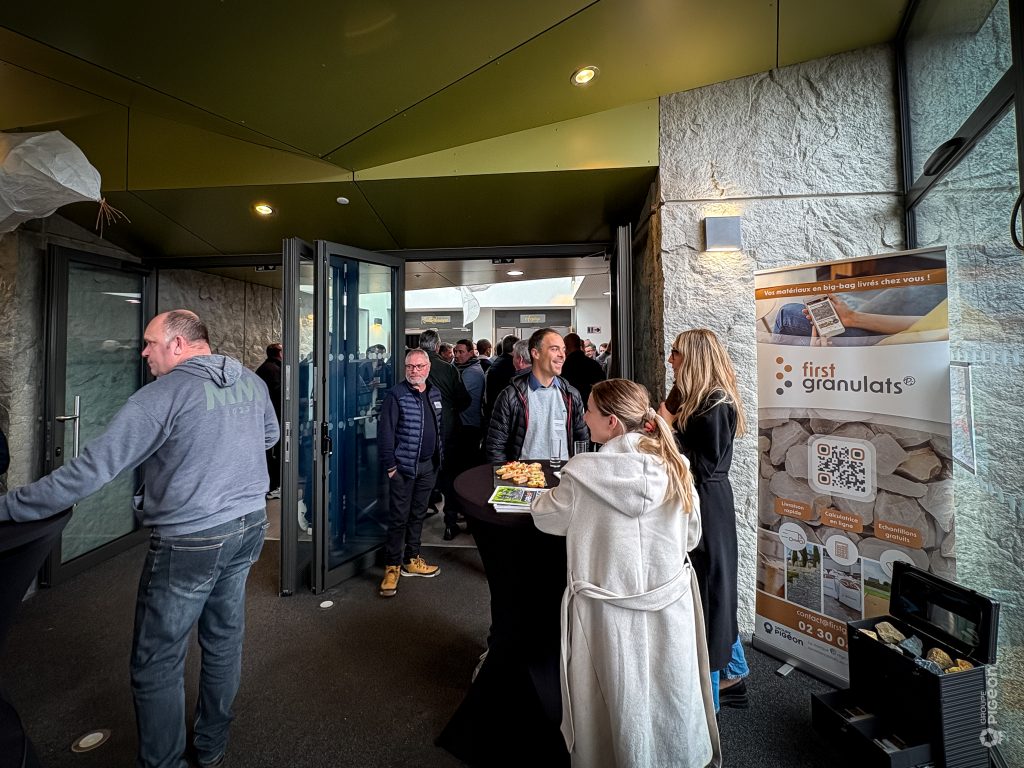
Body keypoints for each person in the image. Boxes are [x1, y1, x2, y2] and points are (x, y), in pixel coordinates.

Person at [0, 310, 277, 768]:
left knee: (158, 661)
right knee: (225, 640)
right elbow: (268, 435)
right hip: (249, 525)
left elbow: (89, 471)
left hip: (191, 540)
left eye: (150, 342)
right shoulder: (249, 380)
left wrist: (8, 508)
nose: (143, 352)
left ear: (180, 344)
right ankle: (212, 749)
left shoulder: (162, 396)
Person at [531, 379, 720, 768]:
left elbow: (546, 517)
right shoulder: (676, 468)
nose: (582, 416)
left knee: (617, 702)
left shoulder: (582, 475)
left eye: (588, 409)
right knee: (670, 697)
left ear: (612, 422)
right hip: (669, 604)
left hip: (607, 614)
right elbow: (691, 535)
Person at [658, 328, 749, 711]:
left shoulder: (714, 403)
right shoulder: (692, 395)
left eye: (675, 352)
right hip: (701, 501)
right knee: (716, 588)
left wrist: (665, 433)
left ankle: (705, 708)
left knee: (711, 589)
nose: (670, 359)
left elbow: (701, 465)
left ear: (693, 355)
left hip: (707, 505)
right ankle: (735, 673)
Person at [377, 348, 443, 597]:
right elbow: (386, 434)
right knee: (398, 519)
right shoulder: (396, 395)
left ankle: (412, 559)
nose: (415, 371)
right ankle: (392, 567)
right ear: (405, 368)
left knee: (417, 515)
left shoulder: (434, 393)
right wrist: (392, 467)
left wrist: (438, 460)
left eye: (419, 366)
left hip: (428, 467)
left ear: (428, 367)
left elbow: (439, 427)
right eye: (410, 367)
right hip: (403, 468)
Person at [485, 328, 588, 463]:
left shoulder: (571, 395)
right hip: (524, 479)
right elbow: (495, 447)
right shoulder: (510, 396)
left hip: (563, 478)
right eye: (554, 349)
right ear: (535, 353)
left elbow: (582, 441)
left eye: (563, 349)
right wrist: (508, 479)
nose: (562, 355)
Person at [419, 330, 470, 532]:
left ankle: (417, 519)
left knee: (420, 475)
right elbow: (464, 399)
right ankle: (449, 523)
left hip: (419, 430)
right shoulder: (447, 369)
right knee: (450, 475)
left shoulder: (409, 366)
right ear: (438, 346)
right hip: (446, 428)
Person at [448, 339, 486, 539]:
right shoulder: (462, 369)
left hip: (469, 427)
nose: (457, 354)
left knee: (465, 474)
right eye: (455, 351)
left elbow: (456, 396)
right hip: (461, 427)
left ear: (472, 352)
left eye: (461, 351)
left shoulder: (472, 373)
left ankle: (469, 517)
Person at [254, 342, 283, 498]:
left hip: (270, 415)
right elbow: (278, 394)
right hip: (275, 415)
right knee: (275, 451)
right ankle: (275, 485)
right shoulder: (272, 370)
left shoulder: (268, 368)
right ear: (278, 353)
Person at [561, 333, 605, 409]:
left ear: (566, 347)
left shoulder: (564, 366)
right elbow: (602, 386)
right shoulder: (593, 364)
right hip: (593, 406)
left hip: (571, 407)